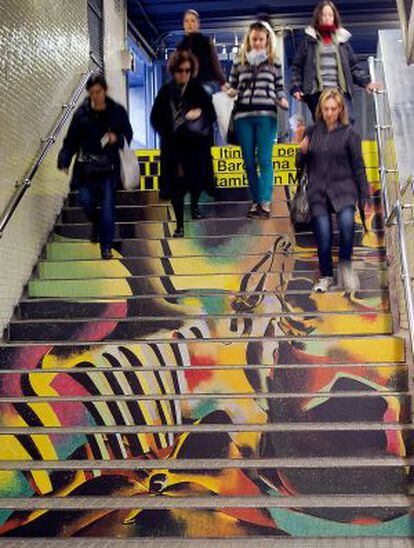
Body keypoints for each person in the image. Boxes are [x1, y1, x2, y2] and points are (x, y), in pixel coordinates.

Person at [297, 88, 370, 293]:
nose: (329, 113)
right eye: (326, 108)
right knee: (323, 236)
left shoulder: (349, 134)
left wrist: (364, 195)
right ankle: (327, 276)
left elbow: (359, 167)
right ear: (320, 108)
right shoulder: (311, 131)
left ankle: (345, 268)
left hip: (344, 190)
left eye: (333, 109)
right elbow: (299, 165)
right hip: (318, 192)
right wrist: (302, 152)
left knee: (347, 226)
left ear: (340, 110)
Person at [57, 73, 133, 260]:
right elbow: (71, 140)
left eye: (98, 92)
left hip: (108, 168)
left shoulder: (117, 111)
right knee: (85, 202)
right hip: (86, 169)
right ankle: (98, 225)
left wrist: (117, 138)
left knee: (108, 207)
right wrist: (65, 160)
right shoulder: (81, 114)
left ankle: (105, 247)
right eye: (91, 93)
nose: (95, 96)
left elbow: (128, 134)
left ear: (105, 90)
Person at [150, 50, 216, 238]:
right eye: (180, 70)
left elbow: (211, 115)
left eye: (187, 70)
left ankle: (194, 207)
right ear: (173, 70)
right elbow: (155, 117)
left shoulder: (198, 91)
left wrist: (199, 114)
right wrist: (167, 130)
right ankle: (179, 225)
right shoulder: (165, 91)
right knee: (176, 185)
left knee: (195, 181)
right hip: (173, 146)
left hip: (195, 146)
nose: (184, 74)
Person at [227, 20, 289, 219]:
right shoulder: (239, 61)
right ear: (249, 39)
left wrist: (282, 99)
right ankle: (255, 201)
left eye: (261, 39)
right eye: (254, 39)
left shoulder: (275, 61)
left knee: (264, 159)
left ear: (267, 40)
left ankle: (265, 201)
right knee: (248, 161)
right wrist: (229, 91)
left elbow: (279, 86)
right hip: (243, 116)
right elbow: (232, 85)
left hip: (266, 114)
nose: (258, 43)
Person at [290, 0, 380, 121]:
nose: (327, 18)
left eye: (330, 15)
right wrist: (296, 87)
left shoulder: (342, 41)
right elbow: (297, 67)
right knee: (323, 124)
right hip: (317, 91)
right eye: (324, 15)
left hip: (340, 89)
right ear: (318, 17)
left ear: (334, 18)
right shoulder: (308, 41)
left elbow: (353, 67)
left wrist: (366, 82)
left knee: (349, 119)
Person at [176, 8, 227, 96]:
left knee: (202, 93)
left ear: (198, 24)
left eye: (192, 21)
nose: (189, 24)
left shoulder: (206, 42)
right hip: (189, 85)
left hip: (207, 82)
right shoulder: (180, 47)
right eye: (186, 21)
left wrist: (222, 82)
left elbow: (215, 63)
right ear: (183, 24)